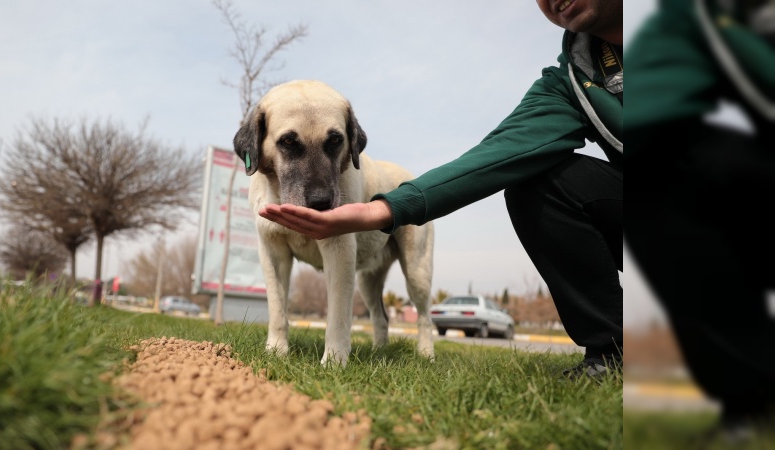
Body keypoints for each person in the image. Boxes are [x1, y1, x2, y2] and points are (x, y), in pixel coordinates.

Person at [259, 0, 624, 380]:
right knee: (538, 181)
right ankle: (611, 353)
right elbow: (492, 159)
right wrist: (381, 209)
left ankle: (423, 334)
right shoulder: (573, 80)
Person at [626, 0, 774, 440]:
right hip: (669, 156)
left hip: (677, 159)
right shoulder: (696, 13)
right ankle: (747, 405)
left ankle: (747, 402)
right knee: (694, 273)